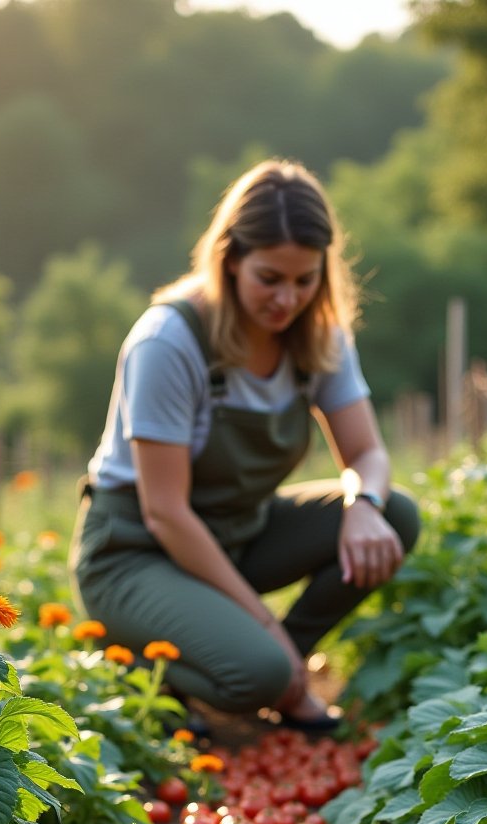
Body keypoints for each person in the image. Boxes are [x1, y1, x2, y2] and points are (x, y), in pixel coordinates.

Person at [70, 159, 419, 730]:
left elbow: (368, 456)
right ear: (230, 260)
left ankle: (281, 664)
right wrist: (263, 622)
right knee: (256, 673)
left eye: (305, 280)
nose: (288, 300)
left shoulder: (321, 334)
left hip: (237, 537)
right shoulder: (168, 341)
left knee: (395, 514)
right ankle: (134, 663)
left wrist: (364, 505)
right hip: (138, 553)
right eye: (270, 279)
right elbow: (166, 512)